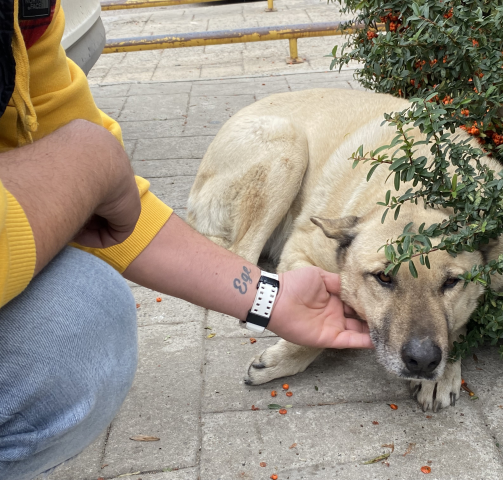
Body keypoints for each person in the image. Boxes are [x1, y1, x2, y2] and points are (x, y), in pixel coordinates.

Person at [0, 4, 372, 479]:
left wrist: (268, 297)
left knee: (85, 313)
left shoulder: (26, 11)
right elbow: (80, 177)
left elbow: (109, 214)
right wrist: (89, 161)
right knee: (80, 325)